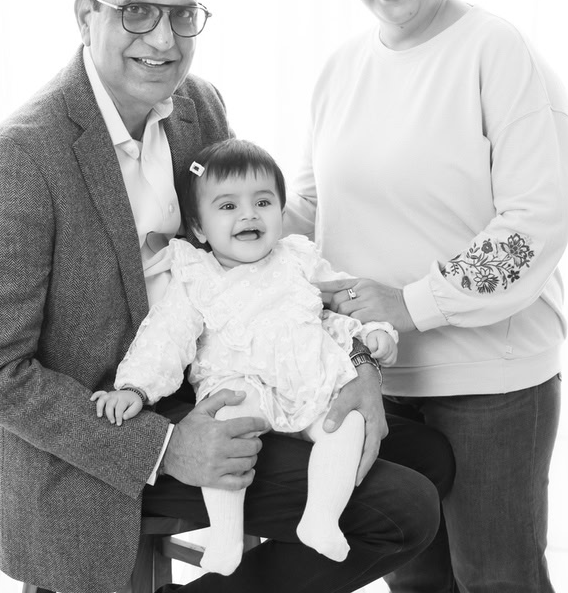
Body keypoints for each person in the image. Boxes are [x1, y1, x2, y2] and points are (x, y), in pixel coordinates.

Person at [0, 0, 447, 593]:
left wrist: (358, 366)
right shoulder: (14, 162)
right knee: (402, 508)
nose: (163, 39)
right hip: (102, 443)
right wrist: (163, 446)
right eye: (137, 12)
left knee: (431, 456)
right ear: (86, 16)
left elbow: (267, 264)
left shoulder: (197, 107)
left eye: (182, 15)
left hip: (226, 386)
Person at [287, 0, 568, 593]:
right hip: (375, 376)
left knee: (496, 578)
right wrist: (222, 234)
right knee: (414, 580)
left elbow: (533, 225)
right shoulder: (340, 70)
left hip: (489, 380)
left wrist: (409, 304)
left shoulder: (496, 52)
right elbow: (313, 209)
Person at [92, 139, 399, 576]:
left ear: (281, 211)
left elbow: (344, 297)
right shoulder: (197, 277)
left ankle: (321, 517)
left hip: (308, 381)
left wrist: (374, 331)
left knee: (347, 423)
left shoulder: (298, 259)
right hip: (241, 389)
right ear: (199, 228)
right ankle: (225, 535)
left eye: (263, 202)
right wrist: (135, 388)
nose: (249, 215)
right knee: (225, 427)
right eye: (228, 206)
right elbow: (165, 336)